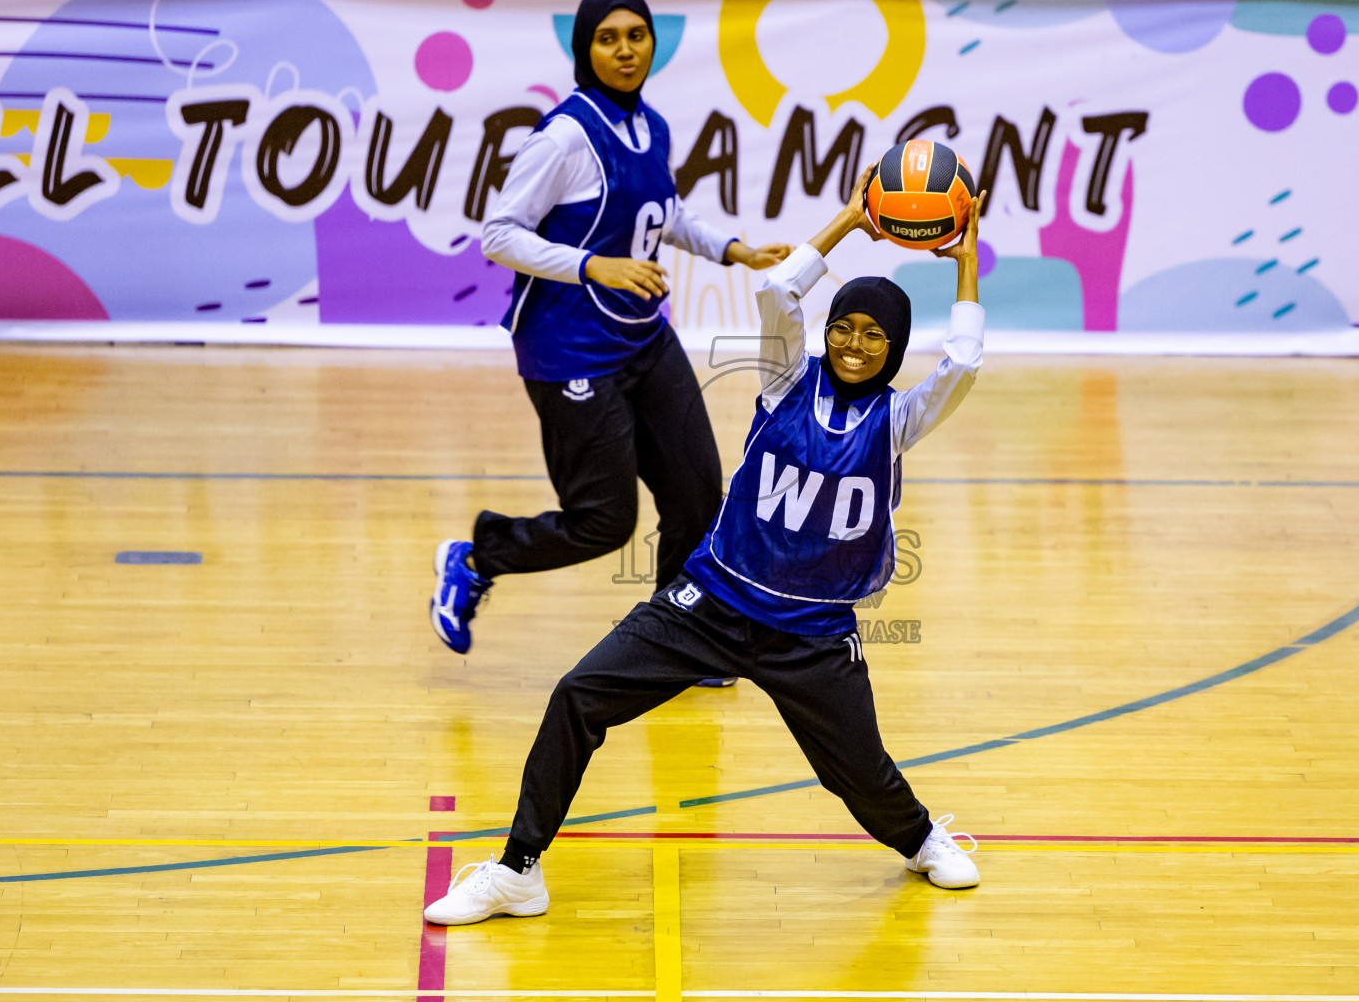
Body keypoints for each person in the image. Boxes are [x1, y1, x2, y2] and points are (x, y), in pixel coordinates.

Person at [422, 170, 989, 925]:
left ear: (895, 349)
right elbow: (776, 294)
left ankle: (921, 840)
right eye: (844, 327)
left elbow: (965, 365)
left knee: (858, 774)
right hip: (710, 605)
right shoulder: (788, 380)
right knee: (577, 697)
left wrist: (965, 256)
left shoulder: (900, 420)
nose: (854, 344)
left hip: (812, 635)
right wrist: (849, 222)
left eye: (873, 335)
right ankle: (517, 869)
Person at [430, 0, 791, 665]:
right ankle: (477, 556)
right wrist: (596, 265)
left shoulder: (650, 125)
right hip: (569, 352)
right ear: (584, 49)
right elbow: (498, 236)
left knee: (695, 492)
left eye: (636, 35)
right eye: (607, 38)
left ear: (653, 43)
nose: (625, 50)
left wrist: (733, 250)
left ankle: (680, 641)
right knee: (605, 521)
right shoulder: (565, 137)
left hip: (643, 338)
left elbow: (667, 213)